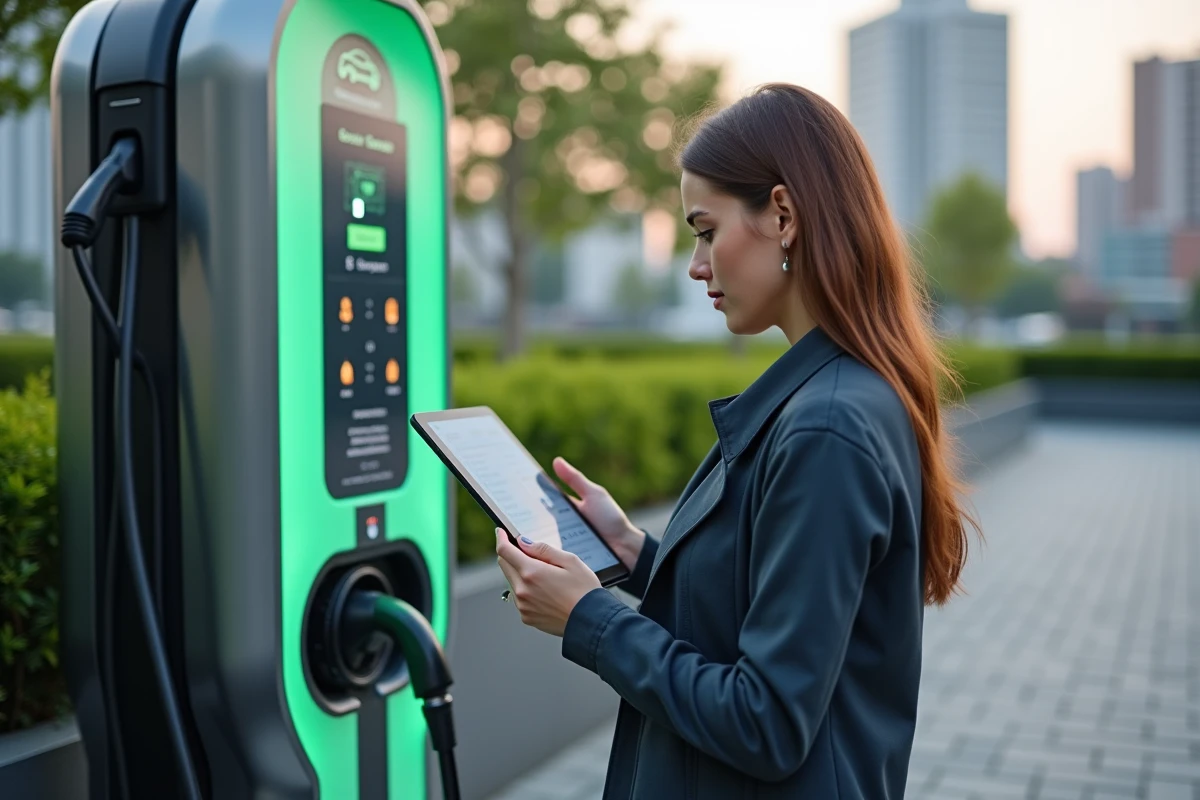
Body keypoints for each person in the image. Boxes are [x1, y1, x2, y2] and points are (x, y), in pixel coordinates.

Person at [494, 82, 980, 799]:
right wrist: (635, 555)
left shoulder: (826, 425)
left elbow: (766, 722)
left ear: (782, 214)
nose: (696, 265)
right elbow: (771, 603)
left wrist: (588, 620)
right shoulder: (835, 395)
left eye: (704, 229)